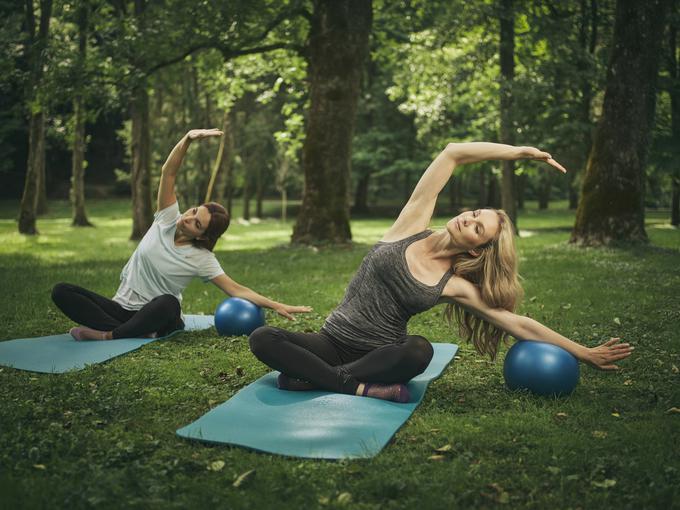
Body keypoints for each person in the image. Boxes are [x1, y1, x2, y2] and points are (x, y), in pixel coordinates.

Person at [249, 142, 633, 403]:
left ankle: (316, 377)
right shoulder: (410, 224)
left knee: (420, 350)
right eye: (475, 212)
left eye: (478, 227)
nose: (469, 218)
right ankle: (351, 386)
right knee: (264, 337)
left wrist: (585, 353)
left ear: (475, 248)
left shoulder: (455, 284)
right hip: (332, 341)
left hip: (381, 354)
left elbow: (519, 324)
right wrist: (518, 153)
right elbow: (452, 153)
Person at [52, 129, 311, 341]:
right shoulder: (167, 217)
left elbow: (236, 289)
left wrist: (275, 304)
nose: (187, 218)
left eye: (196, 224)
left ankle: (108, 336)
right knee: (62, 291)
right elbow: (169, 173)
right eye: (194, 211)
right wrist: (186, 139)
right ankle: (134, 331)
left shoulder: (200, 258)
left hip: (158, 314)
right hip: (122, 310)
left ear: (201, 237)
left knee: (168, 303)